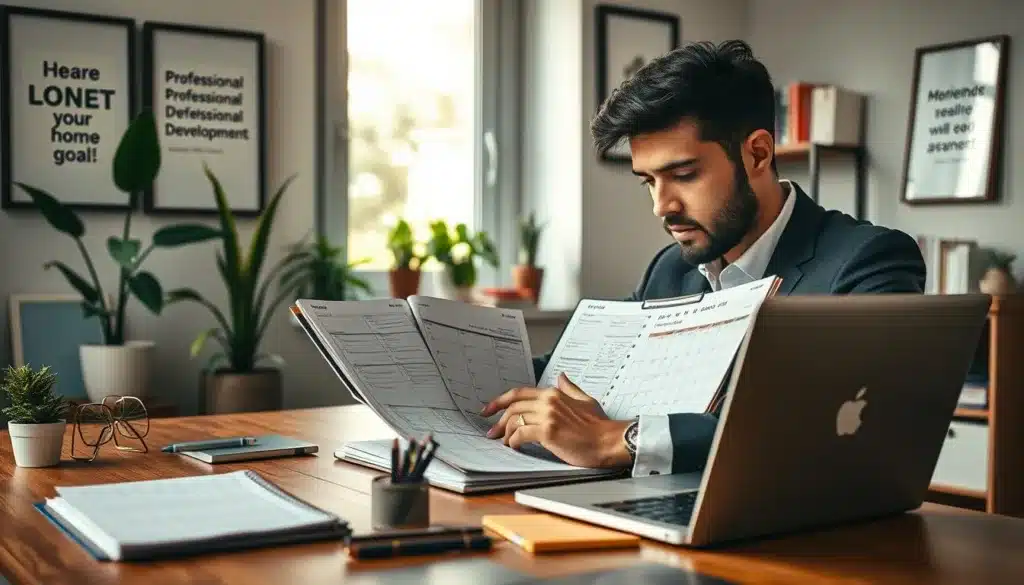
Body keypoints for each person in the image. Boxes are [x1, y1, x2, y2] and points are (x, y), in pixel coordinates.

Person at [480, 39, 925, 477]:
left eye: (684, 175)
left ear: (757, 153)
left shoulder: (868, 262)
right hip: (658, 515)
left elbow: (825, 423)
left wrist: (615, 439)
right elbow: (563, 371)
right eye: (648, 182)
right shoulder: (669, 270)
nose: (662, 205)